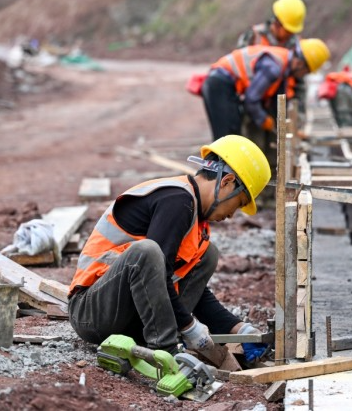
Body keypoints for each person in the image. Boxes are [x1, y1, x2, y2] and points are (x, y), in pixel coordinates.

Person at [68, 135, 272, 362]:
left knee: (208, 254)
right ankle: (165, 350)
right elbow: (157, 269)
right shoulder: (176, 201)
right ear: (226, 182)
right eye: (239, 203)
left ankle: (160, 337)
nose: (233, 214)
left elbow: (185, 284)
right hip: (92, 313)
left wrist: (239, 329)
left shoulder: (195, 218)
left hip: (124, 316)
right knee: (146, 252)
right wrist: (189, 326)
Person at [200, 39, 330, 177]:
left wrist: (293, 130)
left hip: (224, 86)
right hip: (219, 85)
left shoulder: (283, 64)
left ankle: (219, 181)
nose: (303, 76)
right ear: (300, 63)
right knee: (225, 141)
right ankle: (212, 182)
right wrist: (263, 119)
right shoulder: (273, 68)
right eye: (306, 72)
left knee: (230, 139)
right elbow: (251, 99)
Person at [235, 0, 306, 49]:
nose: (290, 34)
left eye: (293, 31)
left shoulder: (298, 46)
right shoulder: (253, 37)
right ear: (278, 23)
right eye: (288, 31)